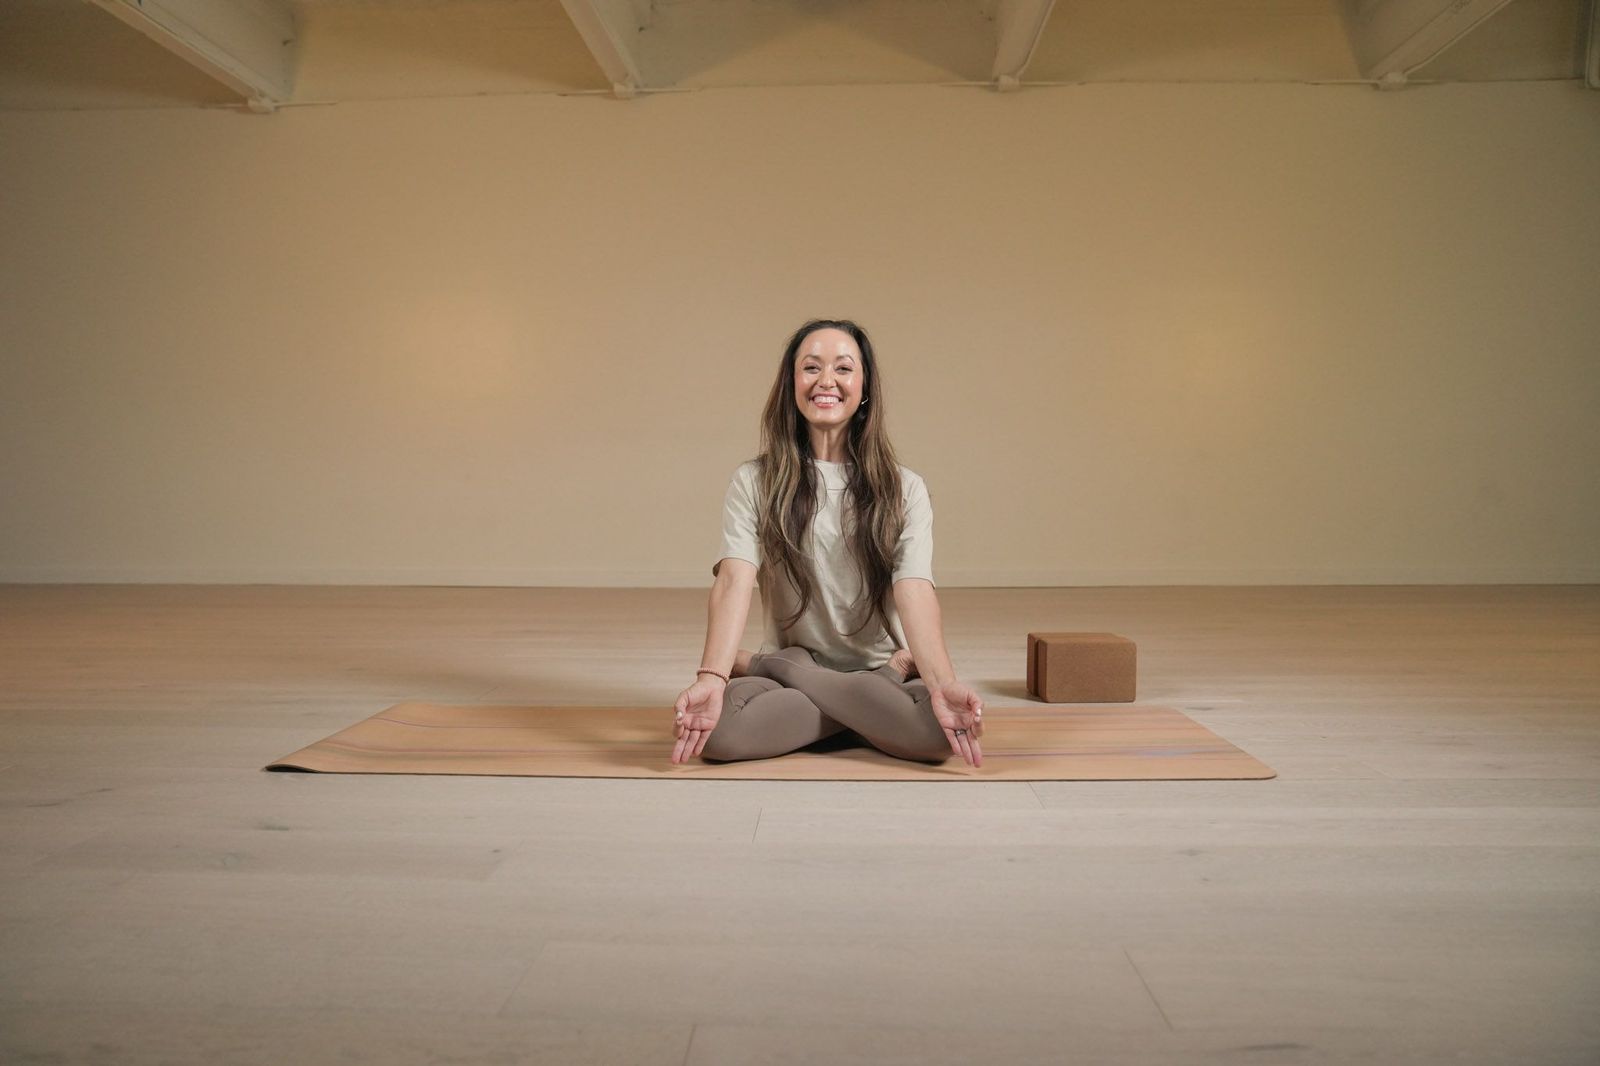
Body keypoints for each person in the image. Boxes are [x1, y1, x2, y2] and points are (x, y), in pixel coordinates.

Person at [670, 318, 985, 768]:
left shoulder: (905, 488)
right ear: (791, 384)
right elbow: (735, 579)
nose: (826, 381)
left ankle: (765, 666)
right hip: (876, 680)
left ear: (864, 387)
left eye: (843, 368)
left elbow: (914, 588)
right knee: (716, 731)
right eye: (811, 367)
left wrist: (942, 683)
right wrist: (712, 675)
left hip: (865, 665)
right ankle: (849, 698)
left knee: (940, 732)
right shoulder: (754, 481)